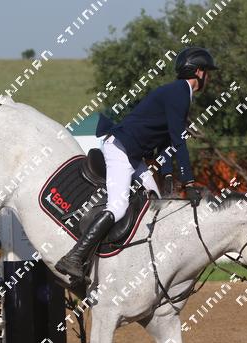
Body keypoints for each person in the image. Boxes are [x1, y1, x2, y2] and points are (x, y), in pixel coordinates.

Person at [54, 47, 218, 283]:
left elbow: (165, 140)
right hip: (120, 149)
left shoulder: (178, 92)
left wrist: (168, 174)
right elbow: (178, 141)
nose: (209, 78)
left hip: (132, 154)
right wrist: (189, 182)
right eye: (207, 72)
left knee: (154, 201)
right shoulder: (180, 93)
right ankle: (75, 257)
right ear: (199, 72)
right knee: (118, 207)